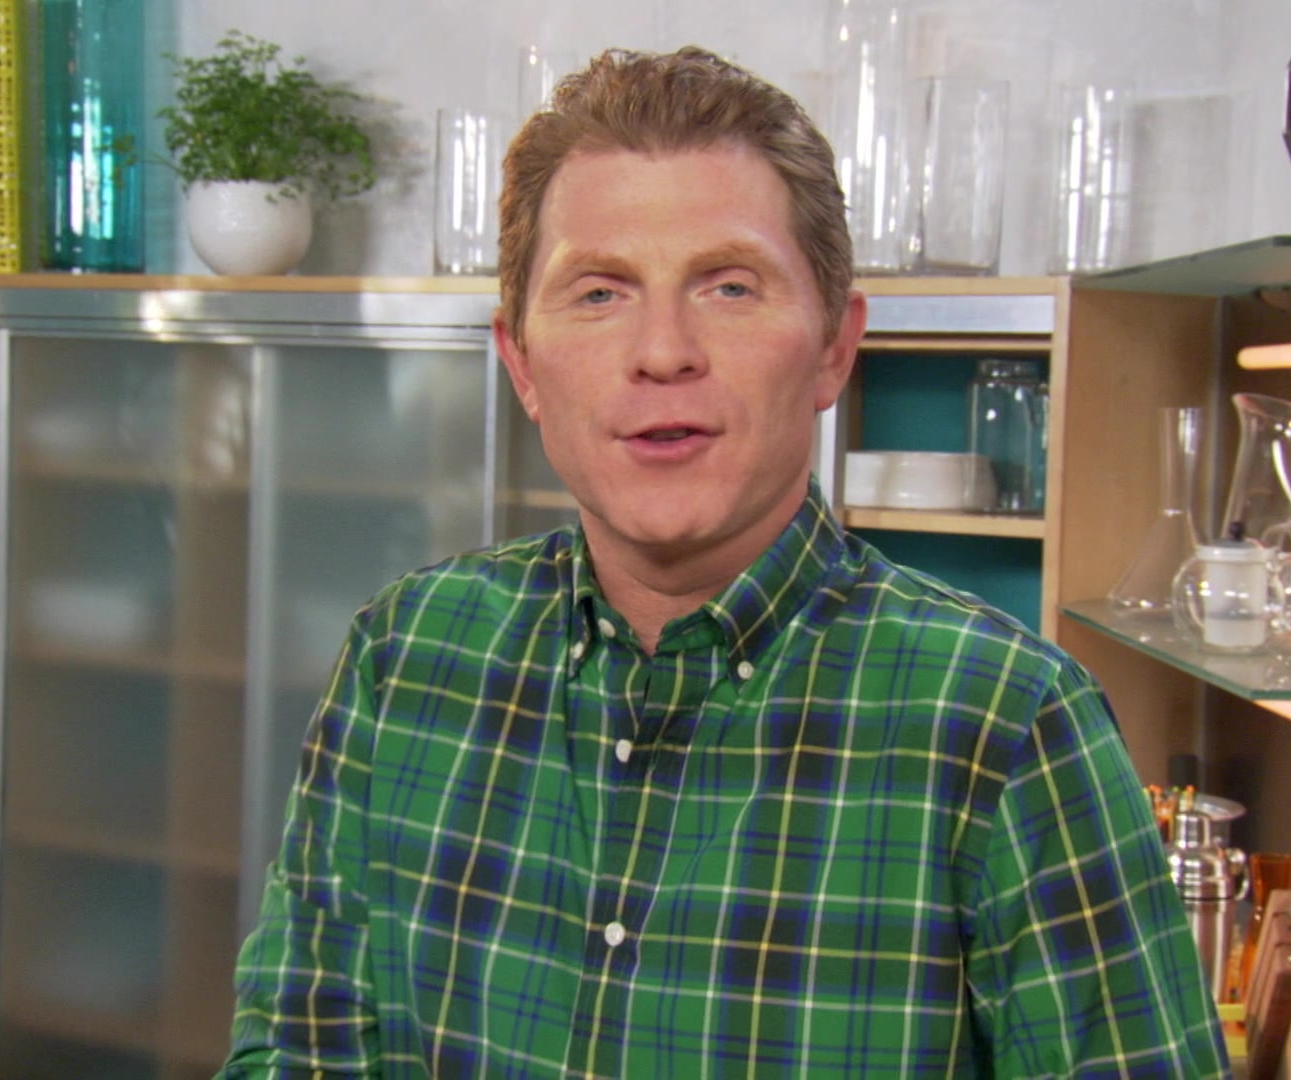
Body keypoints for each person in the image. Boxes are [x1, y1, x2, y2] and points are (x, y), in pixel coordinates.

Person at [223, 46, 1227, 1078]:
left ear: (834, 348)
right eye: (599, 293)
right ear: (520, 363)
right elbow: (296, 1053)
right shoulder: (405, 658)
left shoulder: (1009, 726)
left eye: (730, 286)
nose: (663, 351)